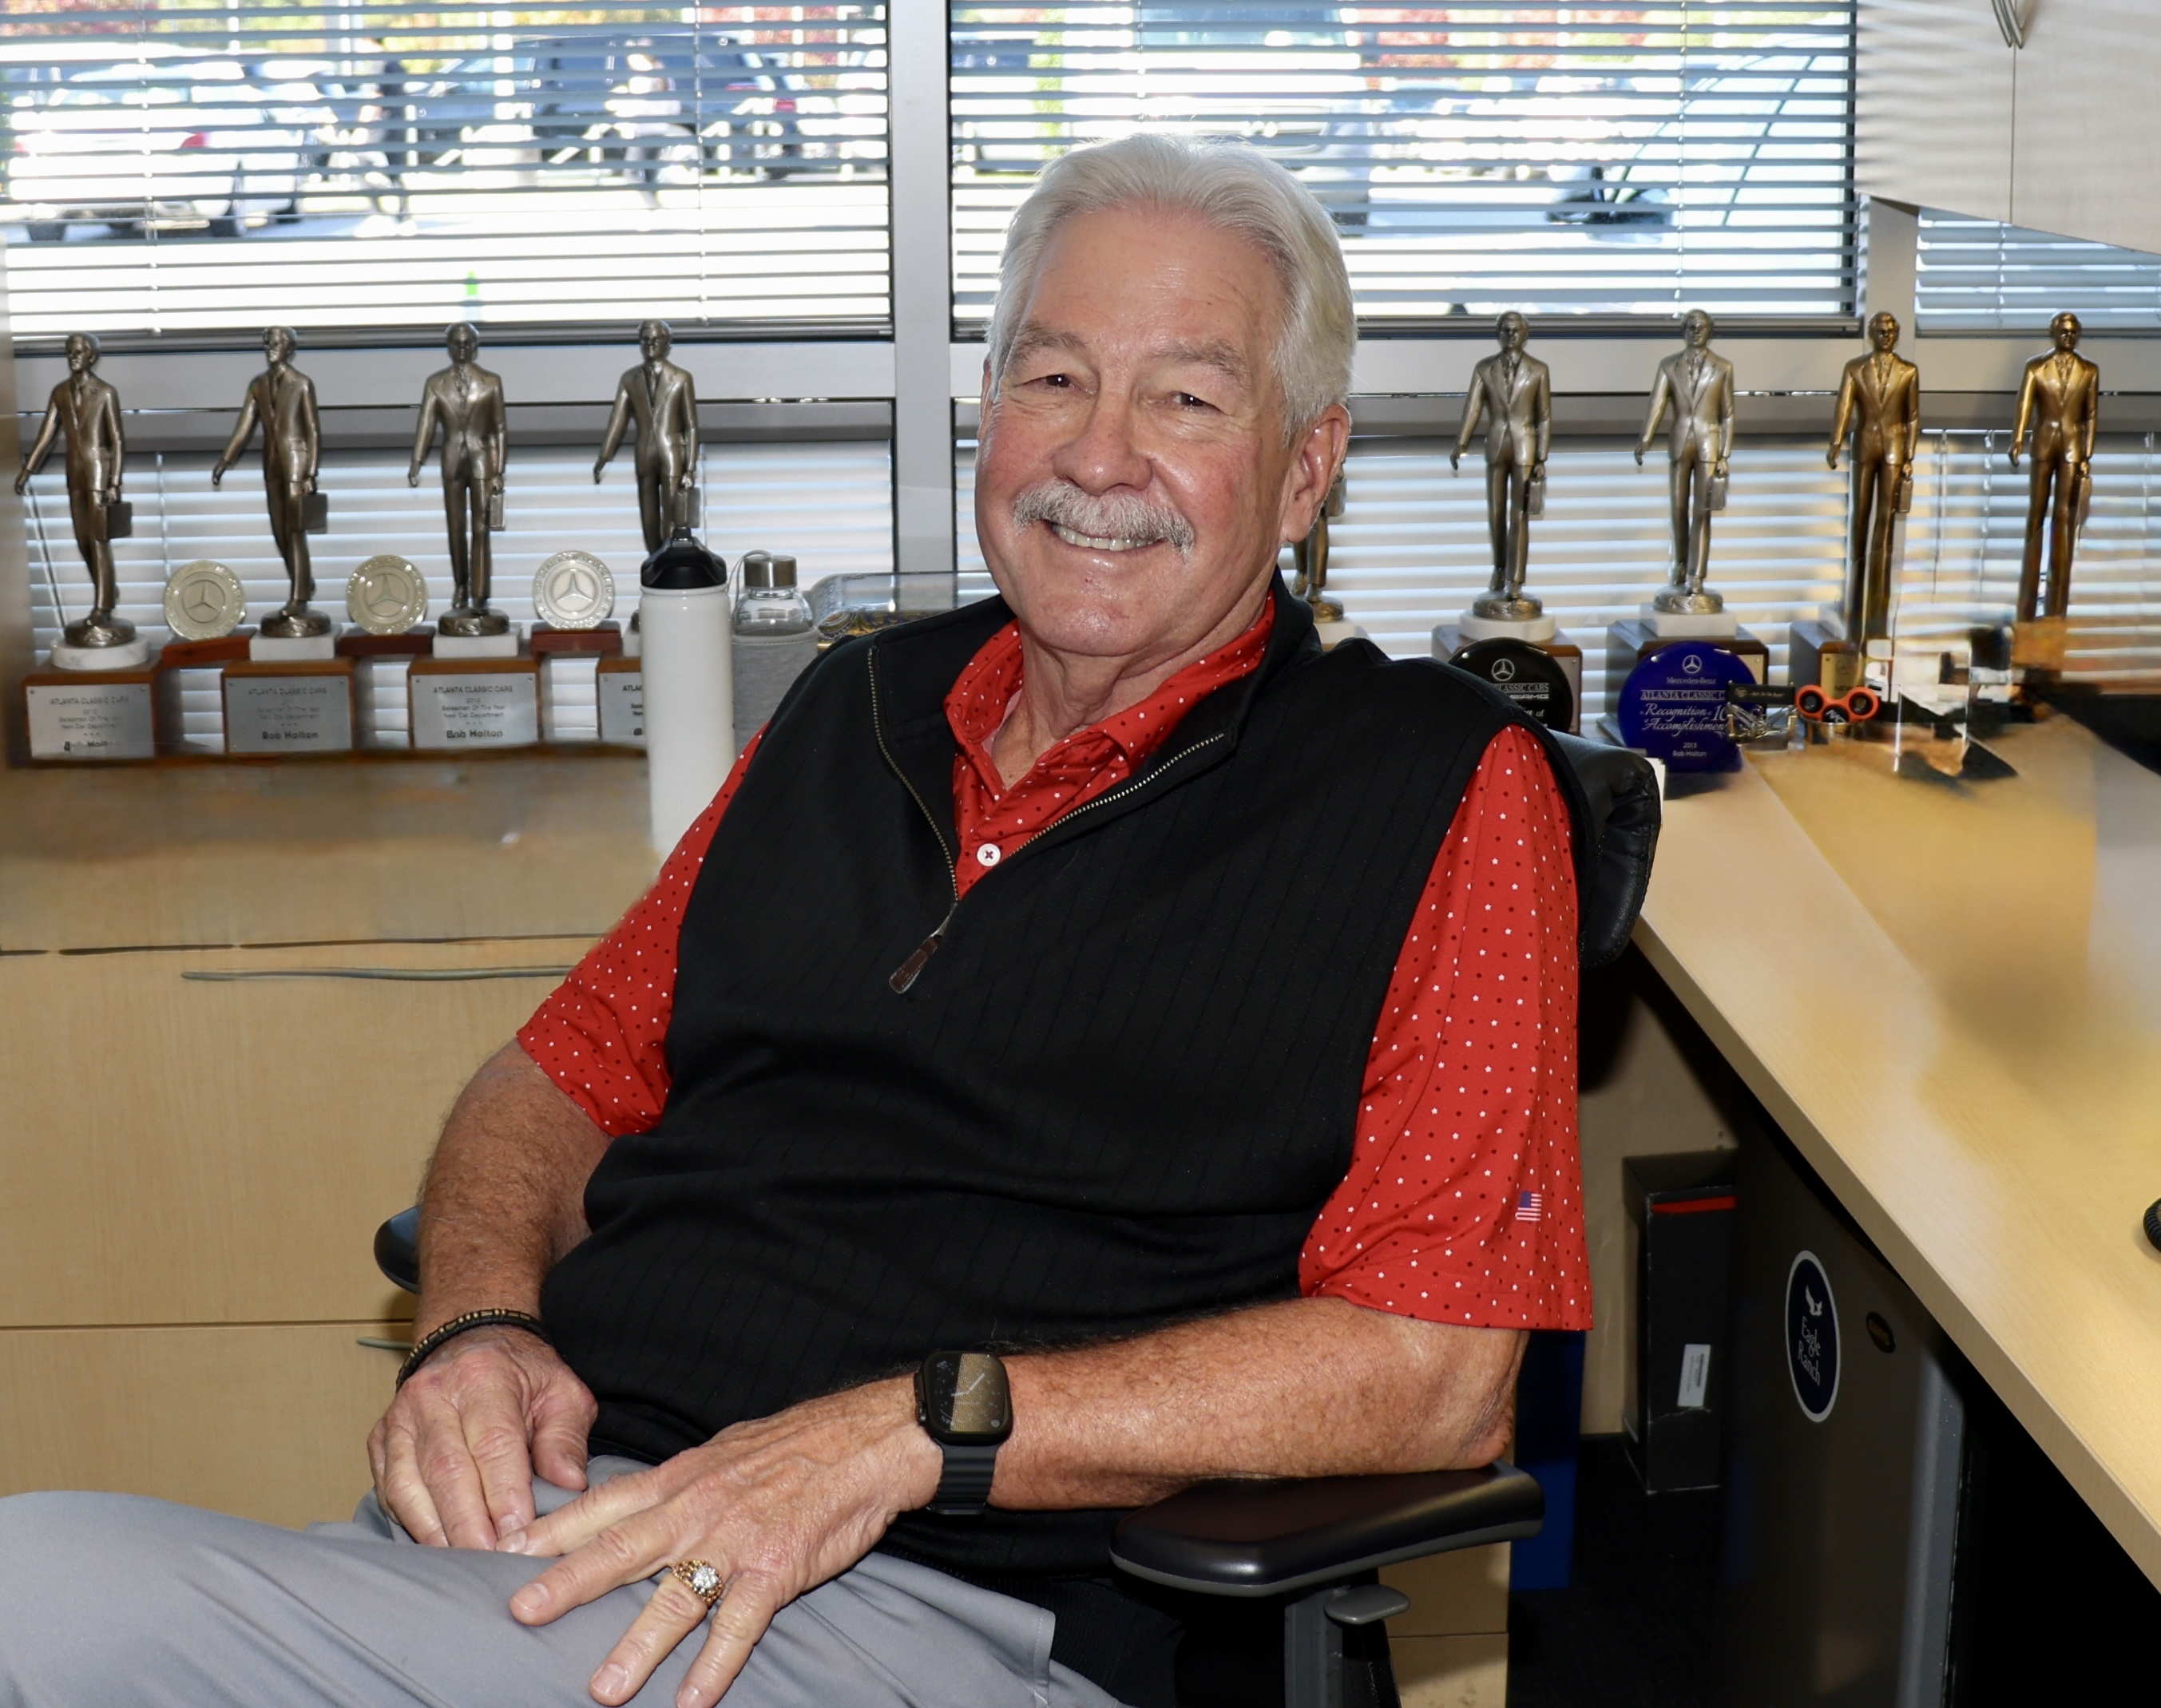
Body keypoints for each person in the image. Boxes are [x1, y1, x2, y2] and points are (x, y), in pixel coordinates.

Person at [0, 136, 1592, 1708]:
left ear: (1306, 468)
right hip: (563, 1532)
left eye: (1185, 399)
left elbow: (1437, 1371)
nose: (1100, 456)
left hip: (935, 1606)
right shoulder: (854, 708)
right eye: (1052, 379)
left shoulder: (1435, 786)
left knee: (35, 1600)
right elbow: (555, 1079)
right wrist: (478, 1321)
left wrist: (908, 1429)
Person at [15, 329, 130, 649]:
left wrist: (114, 482)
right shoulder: (60, 392)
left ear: (92, 355)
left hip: (99, 475)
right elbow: (46, 435)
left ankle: (103, 607)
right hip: (74, 474)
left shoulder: (105, 392)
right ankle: (108, 589)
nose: (73, 357)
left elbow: (117, 440)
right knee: (82, 540)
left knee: (98, 541)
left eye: (78, 351)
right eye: (69, 352)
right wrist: (27, 470)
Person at [213, 324, 327, 637]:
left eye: (276, 342)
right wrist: (226, 460)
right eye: (267, 342)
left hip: (296, 464)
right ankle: (303, 581)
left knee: (295, 531)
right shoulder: (258, 385)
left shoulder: (301, 384)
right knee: (279, 531)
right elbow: (244, 426)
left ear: (289, 348)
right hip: (272, 464)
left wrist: (311, 472)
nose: (271, 347)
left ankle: (299, 597)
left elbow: (313, 431)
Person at [1826, 311, 1921, 650]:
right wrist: (1836, 442)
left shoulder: (1908, 371)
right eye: (1880, 330)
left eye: (1891, 330)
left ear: (1897, 334)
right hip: (1865, 447)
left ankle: (1878, 615)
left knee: (1885, 526)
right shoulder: (1855, 368)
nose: (1886, 335)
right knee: (1859, 520)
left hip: (1894, 450)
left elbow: (1912, 417)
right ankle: (1854, 607)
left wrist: (1909, 456)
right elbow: (1844, 406)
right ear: (1871, 333)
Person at [408, 321, 510, 636]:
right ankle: (461, 586)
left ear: (475, 347)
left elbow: (500, 428)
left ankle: (480, 594)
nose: (462, 348)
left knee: (481, 528)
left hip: (482, 461)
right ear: (449, 347)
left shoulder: (491, 382)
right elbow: (426, 424)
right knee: (455, 528)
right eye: (456, 343)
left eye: (467, 343)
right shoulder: (435, 383)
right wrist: (416, 461)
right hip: (452, 460)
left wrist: (499, 470)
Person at [1450, 310, 1552, 617]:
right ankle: (1498, 570)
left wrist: (1541, 456)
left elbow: (1544, 417)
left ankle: (1515, 580)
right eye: (1506, 330)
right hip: (1496, 446)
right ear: (1498, 333)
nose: (1511, 335)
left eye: (1516, 330)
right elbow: (1473, 407)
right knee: (1496, 514)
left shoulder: (1538, 370)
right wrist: (1461, 442)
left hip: (1525, 448)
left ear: (1525, 334)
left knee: (1519, 515)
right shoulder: (1485, 368)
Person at [1636, 309, 1736, 612]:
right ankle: (1679, 566)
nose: (1696, 331)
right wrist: (1645, 438)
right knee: (1678, 509)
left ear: (1710, 331)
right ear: (1683, 330)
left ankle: (1696, 575)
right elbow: (1657, 403)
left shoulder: (1723, 367)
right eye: (1691, 327)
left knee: (1702, 512)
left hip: (1709, 444)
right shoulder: (1669, 365)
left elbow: (1728, 413)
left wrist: (1724, 454)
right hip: (1680, 442)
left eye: (1701, 327)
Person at [2009, 310, 2100, 624]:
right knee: (2036, 515)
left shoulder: (2089, 371)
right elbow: (2024, 404)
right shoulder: (2036, 367)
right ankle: (2026, 604)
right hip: (2044, 443)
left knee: (2064, 519)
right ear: (2053, 332)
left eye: (2073, 331)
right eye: (2063, 330)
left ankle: (2056, 608)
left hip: (2072, 448)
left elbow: (2090, 415)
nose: (2068, 335)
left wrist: (2086, 455)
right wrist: (2017, 438)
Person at [595, 319, 700, 553]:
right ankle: (655, 562)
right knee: (649, 519)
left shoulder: (681, 378)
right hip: (645, 454)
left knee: (673, 516)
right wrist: (604, 456)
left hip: (672, 454)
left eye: (655, 339)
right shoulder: (629, 379)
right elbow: (617, 422)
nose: (650, 344)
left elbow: (691, 426)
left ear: (667, 343)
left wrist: (690, 469)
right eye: (645, 340)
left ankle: (670, 559)